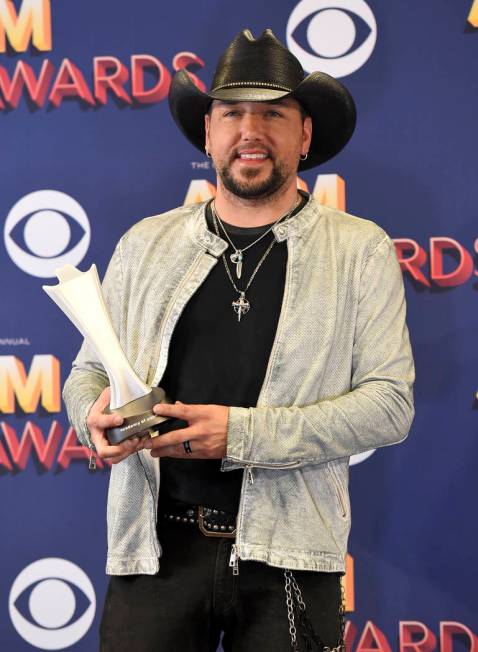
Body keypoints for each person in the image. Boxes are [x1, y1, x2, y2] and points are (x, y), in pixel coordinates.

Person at [63, 29, 414, 652]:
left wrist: (242, 434)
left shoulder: (360, 250)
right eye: (231, 113)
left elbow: (389, 406)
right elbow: (89, 369)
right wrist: (87, 409)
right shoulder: (144, 244)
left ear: (304, 136)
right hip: (155, 555)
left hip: (291, 559)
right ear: (208, 134)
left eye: (273, 113)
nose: (250, 131)